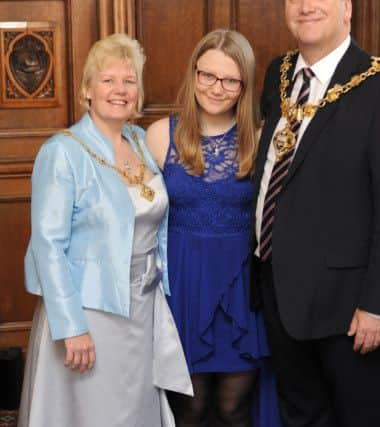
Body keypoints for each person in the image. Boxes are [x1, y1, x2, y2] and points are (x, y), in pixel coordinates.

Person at [251, 0, 380, 426]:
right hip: (279, 292)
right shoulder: (278, 74)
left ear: (347, 8)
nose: (306, 6)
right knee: (302, 418)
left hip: (351, 309)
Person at [18, 33, 192, 427]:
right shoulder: (62, 151)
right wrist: (71, 327)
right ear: (87, 89)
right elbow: (48, 245)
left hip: (143, 308)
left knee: (134, 411)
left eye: (129, 81)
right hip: (88, 313)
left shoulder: (140, 140)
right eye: (108, 79)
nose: (120, 90)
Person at [146, 29, 282, 426]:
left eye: (230, 80)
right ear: (193, 74)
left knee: (233, 407)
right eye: (208, 75)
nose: (217, 88)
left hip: (241, 288)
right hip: (183, 288)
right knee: (189, 407)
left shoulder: (259, 140)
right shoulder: (158, 136)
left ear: (244, 86)